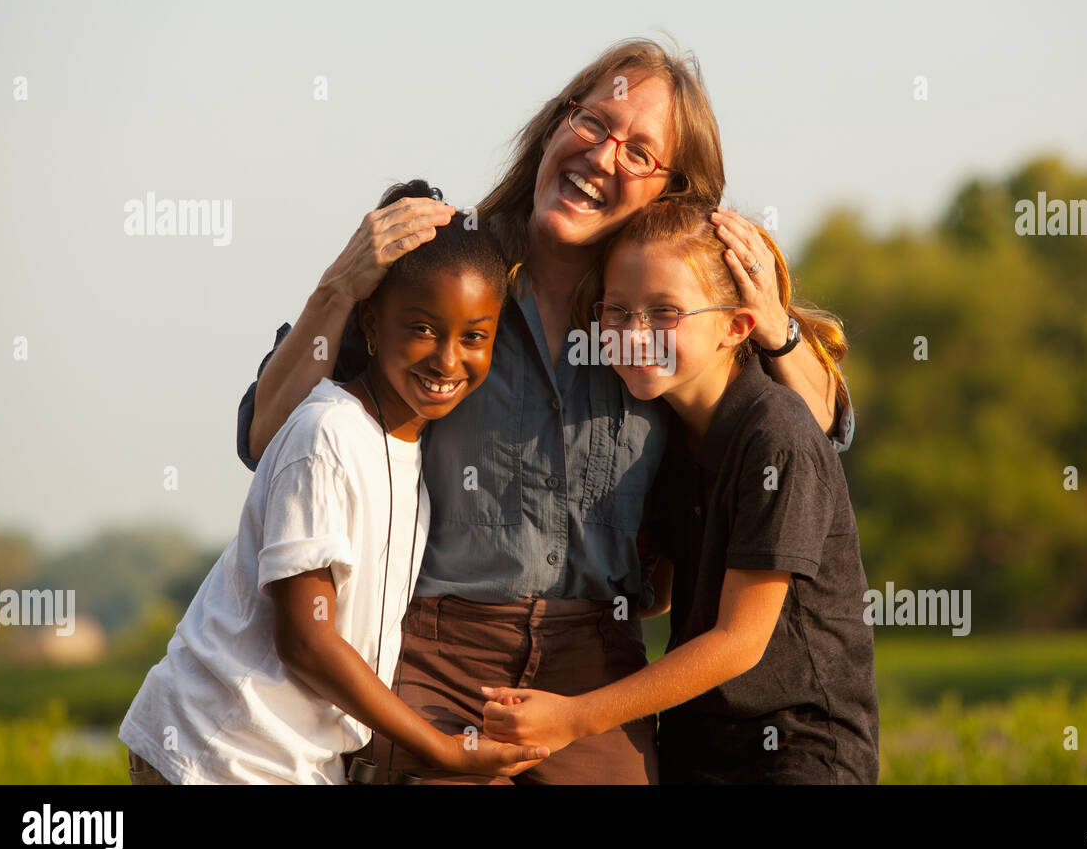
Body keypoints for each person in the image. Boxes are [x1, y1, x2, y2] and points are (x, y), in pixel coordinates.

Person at [237, 38, 852, 784]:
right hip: (436, 654)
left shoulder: (658, 321)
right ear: (554, 126)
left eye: (639, 151)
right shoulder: (449, 270)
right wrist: (340, 286)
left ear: (673, 192)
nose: (603, 155)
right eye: (593, 123)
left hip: (596, 663)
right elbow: (265, 435)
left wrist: (777, 328)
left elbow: (814, 429)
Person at [119, 181, 548, 784]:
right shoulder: (326, 434)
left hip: (288, 761)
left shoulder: (409, 452)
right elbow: (306, 642)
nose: (449, 360)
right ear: (371, 323)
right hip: (216, 752)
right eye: (422, 328)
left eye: (474, 336)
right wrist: (448, 751)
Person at [481, 200, 878, 784]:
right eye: (617, 311)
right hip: (695, 742)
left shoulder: (777, 436)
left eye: (665, 312)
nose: (637, 334)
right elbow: (660, 596)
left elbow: (739, 641)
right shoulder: (661, 432)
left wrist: (574, 718)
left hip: (798, 748)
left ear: (737, 325)